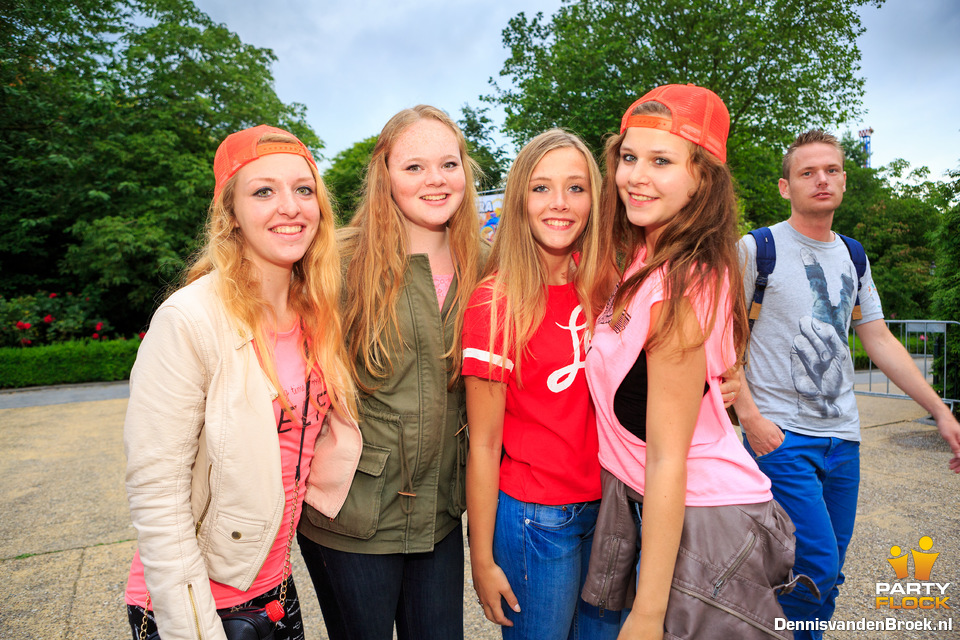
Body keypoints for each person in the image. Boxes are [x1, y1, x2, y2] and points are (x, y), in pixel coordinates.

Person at [123, 124, 361, 640]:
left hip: (275, 589)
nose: (290, 206)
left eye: (303, 189)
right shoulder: (189, 319)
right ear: (231, 215)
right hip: (198, 601)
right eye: (263, 191)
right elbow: (157, 492)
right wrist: (192, 626)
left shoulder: (315, 312)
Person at [584, 84, 795, 639]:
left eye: (661, 160)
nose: (636, 175)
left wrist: (648, 613)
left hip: (705, 527)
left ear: (702, 177)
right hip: (667, 515)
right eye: (629, 157)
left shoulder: (685, 281)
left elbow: (667, 460)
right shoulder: (647, 257)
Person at [733, 129, 960, 639]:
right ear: (784, 186)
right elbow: (717, 336)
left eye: (831, 170)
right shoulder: (757, 248)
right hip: (782, 436)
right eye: (807, 172)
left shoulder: (853, 254)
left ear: (843, 180)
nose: (821, 180)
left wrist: (941, 411)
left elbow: (878, 339)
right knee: (815, 562)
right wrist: (750, 417)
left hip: (844, 438)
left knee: (827, 569)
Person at [296, 105, 485, 640]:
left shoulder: (488, 264)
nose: (435, 180)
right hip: (352, 519)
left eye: (449, 164)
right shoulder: (334, 261)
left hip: (440, 517)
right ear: (385, 174)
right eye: (414, 167)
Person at [462, 129, 621, 639]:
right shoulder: (495, 302)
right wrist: (482, 559)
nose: (560, 204)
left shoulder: (608, 288)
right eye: (541, 188)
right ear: (519, 200)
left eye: (576, 188)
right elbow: (484, 444)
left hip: (611, 512)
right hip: (536, 520)